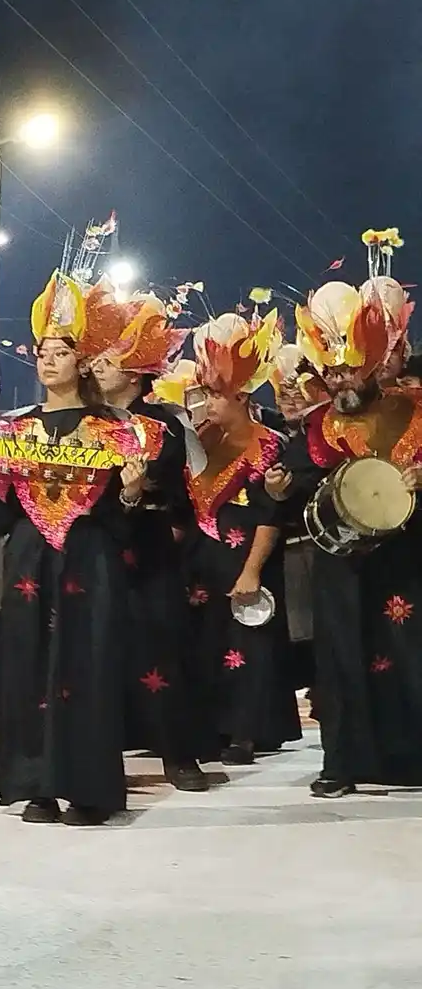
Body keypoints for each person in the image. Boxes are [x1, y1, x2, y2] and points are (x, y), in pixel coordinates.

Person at [0, 271, 153, 826]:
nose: (47, 361)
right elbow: (4, 516)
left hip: (89, 557)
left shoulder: (113, 430)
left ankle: (86, 788)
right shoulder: (15, 432)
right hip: (29, 558)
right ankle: (37, 784)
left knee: (85, 663)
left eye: (61, 351)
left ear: (82, 361)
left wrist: (134, 490)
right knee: (25, 663)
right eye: (42, 352)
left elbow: (120, 518)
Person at [270, 234, 422, 797]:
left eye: (346, 372)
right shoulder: (317, 428)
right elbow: (299, 485)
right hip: (340, 565)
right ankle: (343, 761)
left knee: (405, 652)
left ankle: (408, 758)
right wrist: (283, 486)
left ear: (372, 365)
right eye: (328, 374)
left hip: (406, 560)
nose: (335, 382)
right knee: (340, 660)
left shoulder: (415, 409)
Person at [84, 284, 213, 791]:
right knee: (97, 649)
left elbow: (166, 477)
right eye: (93, 360)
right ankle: (99, 756)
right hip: (97, 547)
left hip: (151, 548)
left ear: (136, 372)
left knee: (164, 647)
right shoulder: (84, 420)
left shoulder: (163, 422)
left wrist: (131, 487)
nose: (95, 368)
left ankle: (180, 755)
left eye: (108, 361)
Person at [172, 311, 301, 763]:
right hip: (203, 561)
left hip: (247, 559)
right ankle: (212, 727)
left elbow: (272, 514)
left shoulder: (268, 445)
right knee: (206, 644)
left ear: (242, 395)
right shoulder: (202, 440)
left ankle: (246, 731)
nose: (208, 404)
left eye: (215, 395)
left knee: (250, 646)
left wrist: (252, 569)